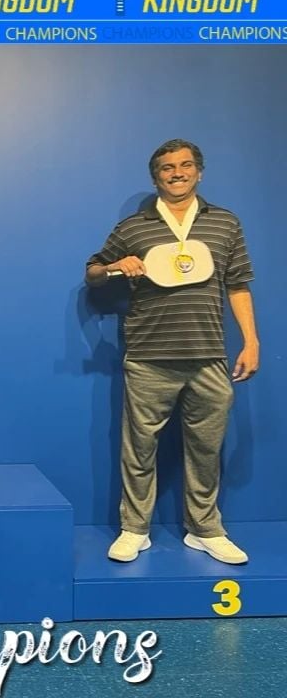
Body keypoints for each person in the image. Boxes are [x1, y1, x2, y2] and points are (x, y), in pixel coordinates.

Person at [86, 138, 258, 565]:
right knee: (139, 449)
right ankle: (134, 529)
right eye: (167, 168)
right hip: (148, 356)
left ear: (199, 171)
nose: (177, 173)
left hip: (208, 356)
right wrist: (115, 267)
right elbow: (92, 273)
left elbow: (238, 284)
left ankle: (205, 530)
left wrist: (251, 341)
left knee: (206, 449)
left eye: (185, 165)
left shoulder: (225, 224)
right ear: (156, 177)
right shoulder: (134, 227)